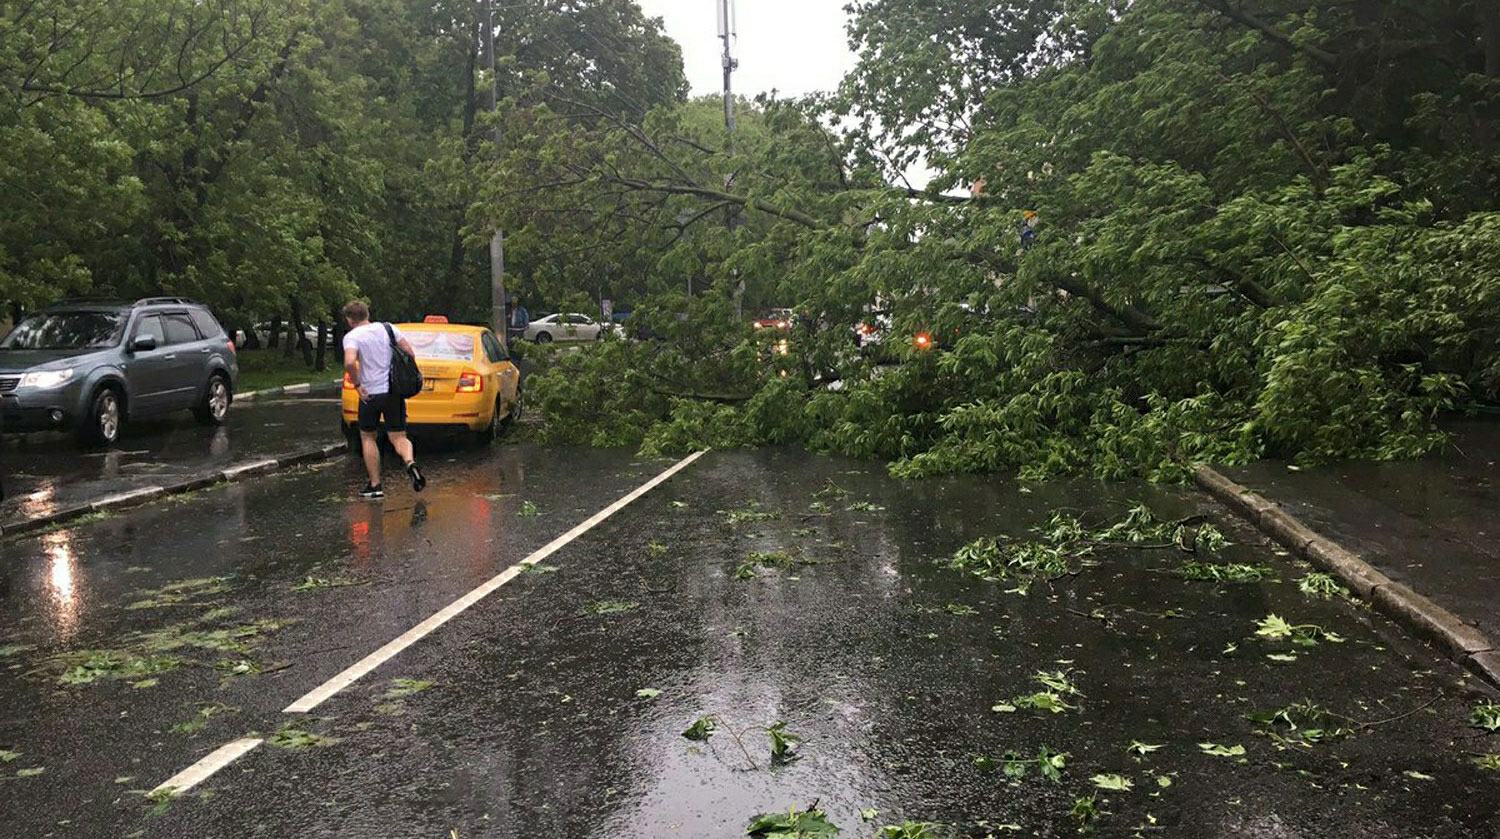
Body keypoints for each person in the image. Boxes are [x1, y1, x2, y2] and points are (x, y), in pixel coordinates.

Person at [341, 300, 426, 499]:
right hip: (394, 392)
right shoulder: (388, 329)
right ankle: (410, 462)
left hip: (370, 394)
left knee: (368, 437)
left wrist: (357, 384)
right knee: (398, 436)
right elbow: (409, 353)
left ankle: (375, 485)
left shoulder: (352, 337)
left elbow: (349, 361)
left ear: (349, 319)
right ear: (367, 314)